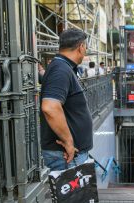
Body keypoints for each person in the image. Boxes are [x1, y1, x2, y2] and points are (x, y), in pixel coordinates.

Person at [40, 28, 93, 171]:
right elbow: (50, 107)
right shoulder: (61, 69)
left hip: (70, 154)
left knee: (78, 194)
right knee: (77, 194)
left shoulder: (62, 67)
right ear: (81, 47)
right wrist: (68, 142)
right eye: (85, 47)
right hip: (67, 155)